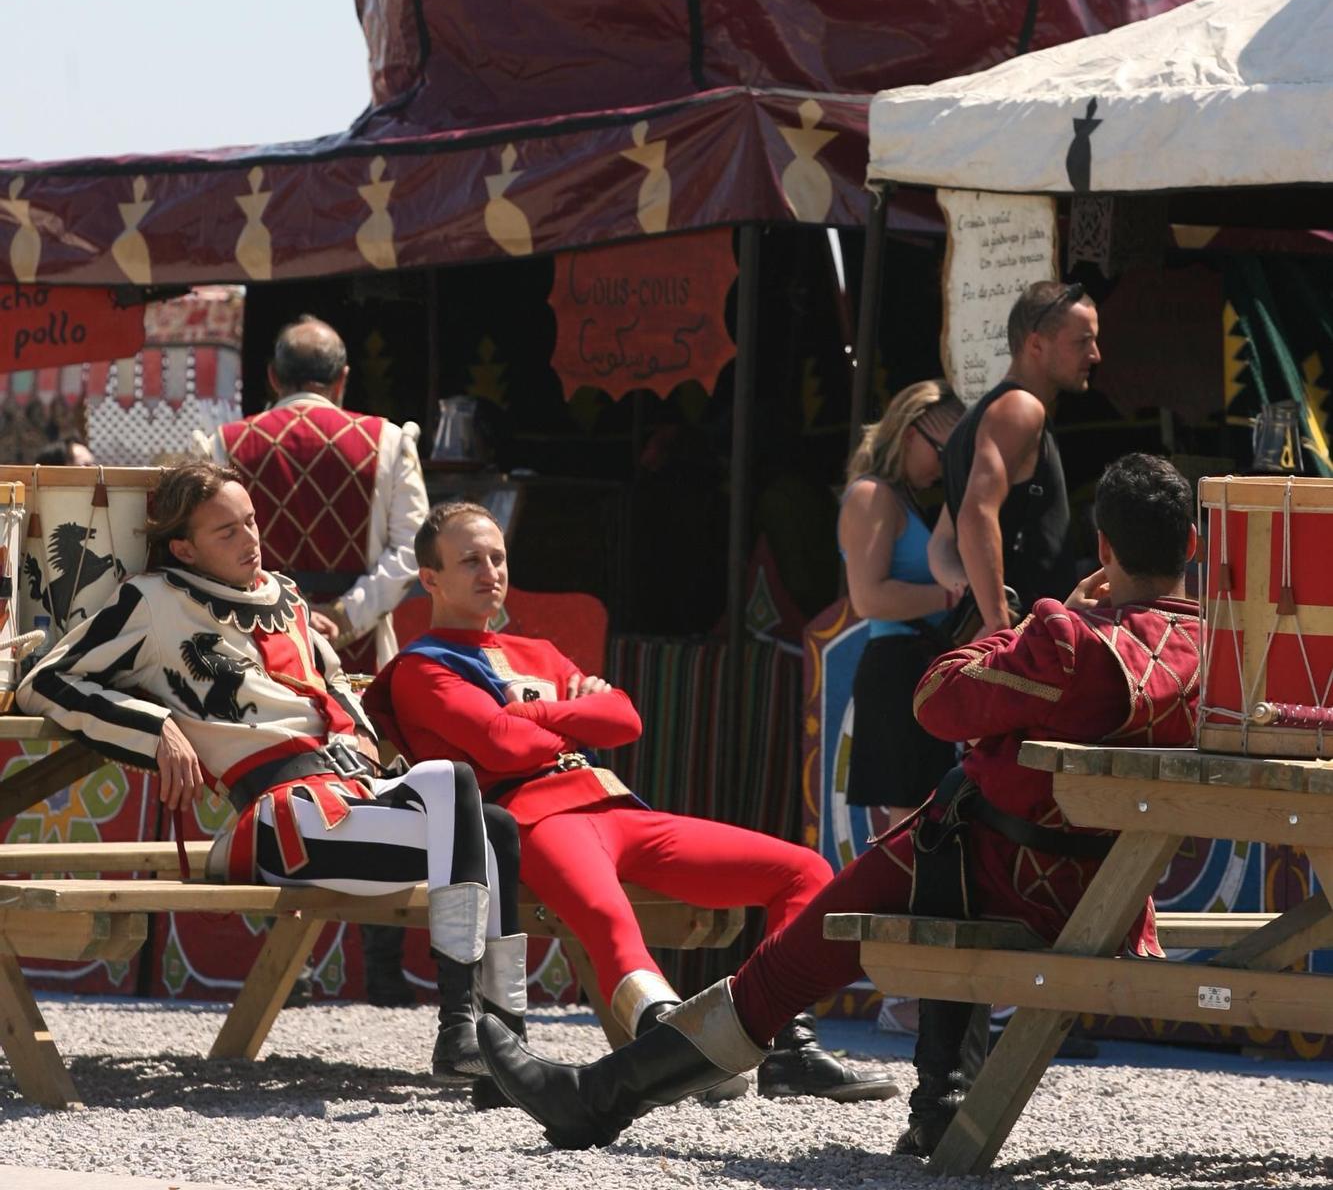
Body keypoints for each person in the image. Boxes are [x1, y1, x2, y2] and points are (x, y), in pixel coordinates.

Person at [475, 453, 1201, 1158]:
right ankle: (940, 1106)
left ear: (1100, 547)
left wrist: (1041, 621)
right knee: (943, 865)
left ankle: (595, 1098)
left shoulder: (1067, 642)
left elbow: (937, 700)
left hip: (1002, 872)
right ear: (1191, 547)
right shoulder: (1217, 651)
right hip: (1107, 894)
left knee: (788, 969)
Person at [16, 459, 527, 1092]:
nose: (250, 539)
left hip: (353, 795)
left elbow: (334, 685)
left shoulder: (285, 598)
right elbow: (47, 679)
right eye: (225, 531)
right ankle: (460, 1031)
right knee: (460, 796)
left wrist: (361, 742)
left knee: (493, 825)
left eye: (252, 521)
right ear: (183, 547)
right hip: (284, 821)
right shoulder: (152, 603)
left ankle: (505, 1041)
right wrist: (155, 727)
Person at [370, 500, 898, 1104]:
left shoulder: (538, 651)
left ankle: (790, 1049)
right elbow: (502, 743)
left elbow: (623, 719)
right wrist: (573, 716)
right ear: (431, 578)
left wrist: (532, 711)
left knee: (804, 870)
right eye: (470, 561)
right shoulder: (419, 668)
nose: (491, 571)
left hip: (615, 808)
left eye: (498, 557)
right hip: (532, 820)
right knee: (610, 923)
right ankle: (680, 1053)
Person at [208, 314, 428, 1005]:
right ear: (341, 380)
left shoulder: (225, 442)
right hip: (356, 645)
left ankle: (287, 963)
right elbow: (410, 553)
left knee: (271, 788)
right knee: (376, 784)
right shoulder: (388, 441)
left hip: (252, 646)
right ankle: (382, 962)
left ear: (270, 377)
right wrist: (346, 616)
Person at [930, 280, 1102, 635]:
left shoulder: (980, 419)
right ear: (1036, 344)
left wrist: (976, 591)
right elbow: (975, 516)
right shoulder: (1020, 411)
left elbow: (942, 545)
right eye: (1082, 342)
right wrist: (998, 624)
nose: (1095, 355)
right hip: (1019, 652)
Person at [839, 381, 966, 834]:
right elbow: (868, 597)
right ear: (911, 433)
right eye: (943, 450)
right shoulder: (872, 496)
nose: (947, 465)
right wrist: (956, 595)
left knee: (927, 817)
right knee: (909, 827)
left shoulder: (904, 498)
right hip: (897, 670)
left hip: (920, 666)